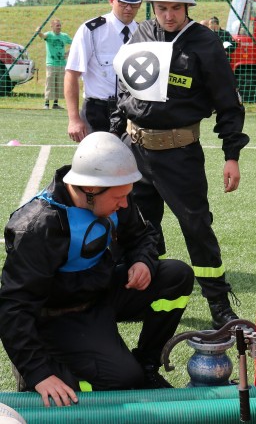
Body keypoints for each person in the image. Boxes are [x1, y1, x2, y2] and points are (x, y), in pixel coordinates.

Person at [0, 132, 194, 407]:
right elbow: (13, 307)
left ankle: (147, 366)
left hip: (100, 294)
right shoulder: (38, 226)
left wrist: (142, 262)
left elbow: (143, 236)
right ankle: (38, 375)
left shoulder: (112, 193)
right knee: (124, 381)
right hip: (57, 317)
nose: (125, 204)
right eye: (120, 197)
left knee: (177, 275)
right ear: (90, 189)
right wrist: (38, 372)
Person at [110, 0, 250, 330]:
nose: (168, 15)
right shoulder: (140, 34)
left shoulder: (205, 43)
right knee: (136, 227)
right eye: (161, 8)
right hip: (133, 149)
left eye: (175, 7)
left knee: (196, 227)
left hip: (178, 154)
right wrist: (115, 139)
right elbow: (123, 89)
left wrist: (231, 155)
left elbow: (228, 104)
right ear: (152, 7)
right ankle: (143, 296)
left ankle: (218, 303)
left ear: (188, 7)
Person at [65, 0, 145, 142]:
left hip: (131, 111)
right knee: (96, 164)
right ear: (111, 0)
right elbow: (72, 74)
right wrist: (74, 119)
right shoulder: (91, 31)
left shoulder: (143, 33)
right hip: (97, 112)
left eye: (134, 3)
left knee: (132, 164)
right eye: (122, 3)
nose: (128, 8)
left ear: (140, 3)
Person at [36, 18, 72, 110]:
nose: (59, 27)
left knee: (59, 83)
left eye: (60, 25)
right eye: (57, 25)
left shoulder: (64, 36)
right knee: (50, 83)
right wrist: (38, 31)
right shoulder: (49, 35)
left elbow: (75, 43)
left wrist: (68, 53)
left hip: (62, 64)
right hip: (51, 63)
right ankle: (46, 103)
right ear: (52, 26)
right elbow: (42, 36)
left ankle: (55, 104)